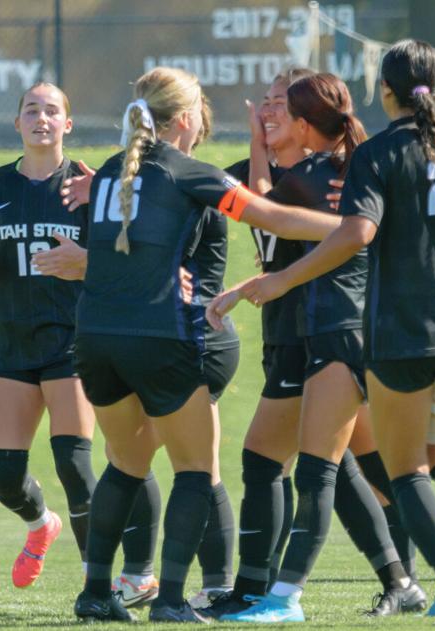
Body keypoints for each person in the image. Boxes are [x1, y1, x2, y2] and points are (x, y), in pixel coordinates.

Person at [222, 39, 435, 624]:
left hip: (395, 331)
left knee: (385, 471)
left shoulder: (374, 156)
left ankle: (289, 597)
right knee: (433, 458)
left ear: (385, 91)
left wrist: (278, 281)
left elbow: (352, 234)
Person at [67, 66, 340, 623]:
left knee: (125, 463)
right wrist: (353, 228)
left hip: (94, 339)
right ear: (187, 118)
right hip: (158, 339)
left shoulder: (112, 172)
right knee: (195, 469)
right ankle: (169, 600)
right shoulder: (192, 173)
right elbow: (276, 219)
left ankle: (96, 593)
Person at [204, 72, 422, 624]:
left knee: (324, 467)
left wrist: (162, 173)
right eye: (265, 105)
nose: (268, 112)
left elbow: (259, 215)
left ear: (304, 123)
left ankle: (275, 595)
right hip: (304, 331)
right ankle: (411, 581)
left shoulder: (314, 176)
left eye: (280, 104)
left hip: (330, 332)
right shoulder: (351, 166)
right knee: (353, 466)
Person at [0, 82, 104, 590]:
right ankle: (41, 525)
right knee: (3, 476)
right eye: (31, 110)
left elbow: (121, 260)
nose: (41, 118)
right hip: (12, 342)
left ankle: (98, 580)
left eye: (52, 111)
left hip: (70, 339)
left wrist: (86, 264)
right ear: (17, 123)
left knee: (74, 464)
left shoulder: (87, 185)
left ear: (68, 123)